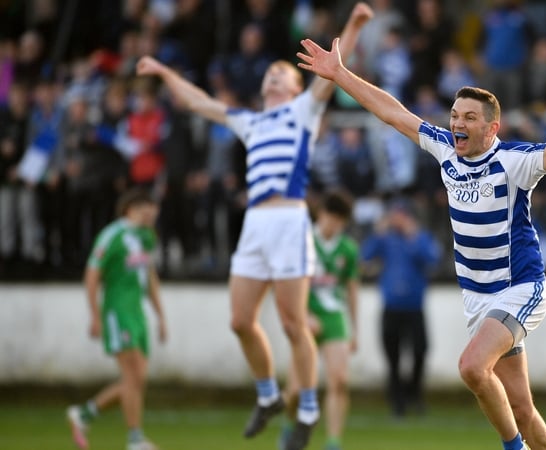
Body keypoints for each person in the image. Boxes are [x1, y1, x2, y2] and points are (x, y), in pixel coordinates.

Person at [296, 37, 546, 450]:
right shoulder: (446, 150)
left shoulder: (515, 161)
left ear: (491, 127)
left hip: (521, 287)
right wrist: (340, 73)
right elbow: (394, 113)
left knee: (470, 367)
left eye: (468, 117)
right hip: (479, 300)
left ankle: (513, 448)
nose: (457, 124)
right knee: (521, 408)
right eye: (454, 115)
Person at [135, 4, 373, 449]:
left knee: (291, 322)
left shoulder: (304, 110)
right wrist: (165, 72)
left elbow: (332, 73)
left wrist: (354, 26)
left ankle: (305, 408)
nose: (273, 77)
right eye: (271, 74)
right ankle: (267, 395)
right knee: (241, 321)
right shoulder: (250, 121)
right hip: (256, 223)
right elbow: (199, 102)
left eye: (282, 73)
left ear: (297, 84)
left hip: (288, 220)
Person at [66, 188, 166, 450]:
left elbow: (150, 277)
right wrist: (95, 315)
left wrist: (161, 315)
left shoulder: (146, 237)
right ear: (131, 209)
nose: (153, 212)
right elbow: (91, 276)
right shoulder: (112, 235)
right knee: (132, 377)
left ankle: (84, 414)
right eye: (147, 206)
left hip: (137, 313)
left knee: (136, 380)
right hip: (117, 312)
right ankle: (135, 440)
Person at [281, 190, 361, 450]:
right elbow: (285, 285)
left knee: (340, 381)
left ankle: (333, 442)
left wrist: (355, 330)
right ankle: (289, 428)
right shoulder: (301, 242)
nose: (333, 223)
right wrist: (301, 315)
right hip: (304, 318)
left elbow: (351, 289)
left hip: (333, 318)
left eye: (340, 219)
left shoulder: (348, 249)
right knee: (295, 390)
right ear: (321, 213)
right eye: (330, 216)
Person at [361, 198, 442, 418]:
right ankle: (397, 402)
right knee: (393, 356)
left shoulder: (419, 237)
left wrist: (412, 236)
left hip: (414, 307)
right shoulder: (385, 239)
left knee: (420, 351)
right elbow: (365, 256)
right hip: (391, 307)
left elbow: (432, 258)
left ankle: (414, 395)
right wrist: (378, 233)